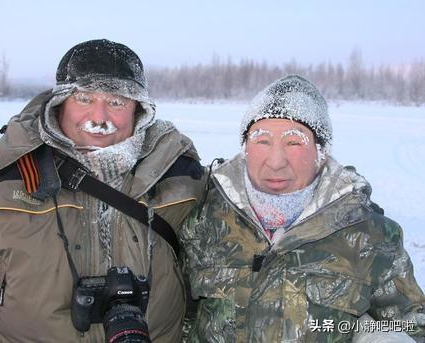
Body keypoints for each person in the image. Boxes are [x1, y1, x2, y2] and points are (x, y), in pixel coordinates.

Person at [0, 39, 204, 342]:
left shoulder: (181, 176)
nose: (99, 118)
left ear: (139, 109)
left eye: (117, 102)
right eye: (84, 98)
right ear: (60, 103)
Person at [181, 74, 425, 342]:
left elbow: (415, 325)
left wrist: (372, 334)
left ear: (321, 154)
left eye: (294, 142)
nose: (276, 162)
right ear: (245, 148)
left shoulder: (371, 235)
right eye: (262, 140)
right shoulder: (204, 219)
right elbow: (178, 315)